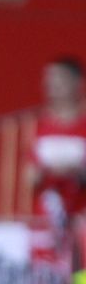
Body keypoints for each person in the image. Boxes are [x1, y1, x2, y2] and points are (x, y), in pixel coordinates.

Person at [31, 56, 86, 232]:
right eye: (48, 80)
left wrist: (75, 171)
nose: (51, 86)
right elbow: (30, 176)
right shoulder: (40, 125)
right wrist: (48, 172)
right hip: (48, 221)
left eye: (58, 80)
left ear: (76, 83)